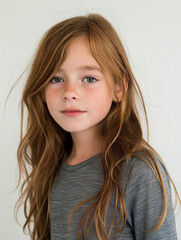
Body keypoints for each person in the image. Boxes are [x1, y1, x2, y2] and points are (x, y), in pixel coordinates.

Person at [15, 13, 180, 240]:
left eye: (89, 79)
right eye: (56, 78)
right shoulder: (50, 164)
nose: (70, 93)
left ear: (119, 88)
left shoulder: (138, 172)